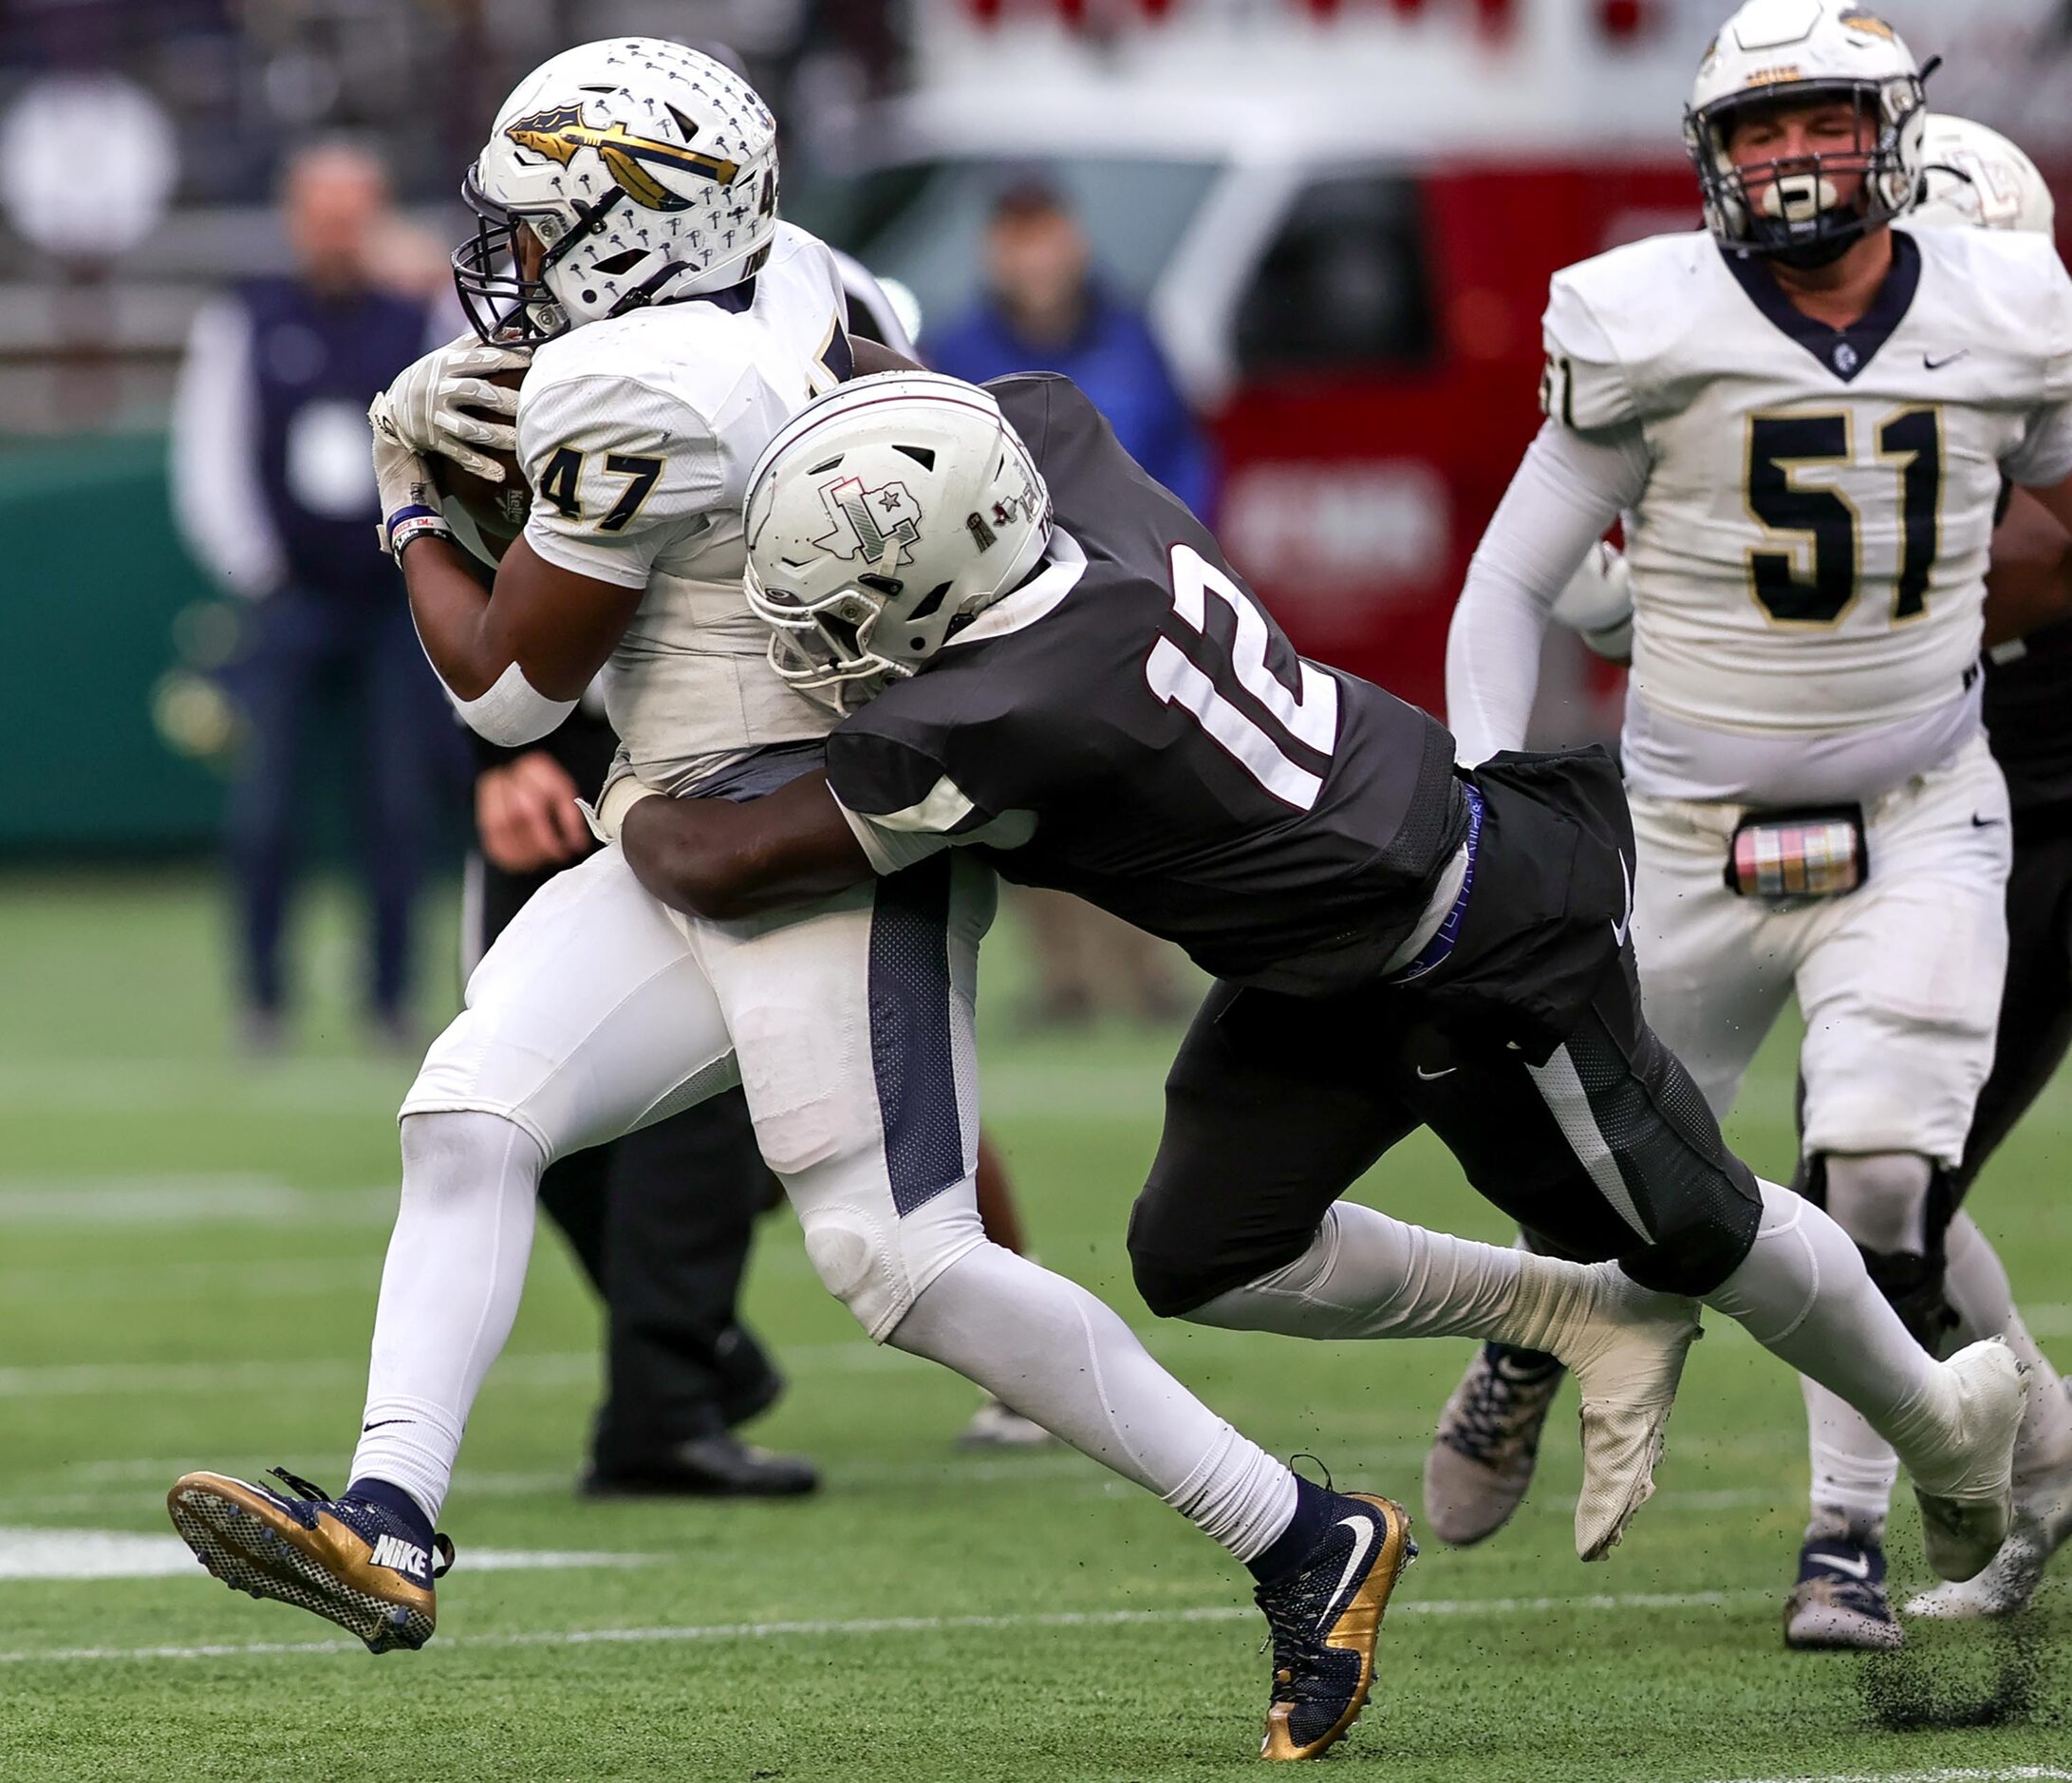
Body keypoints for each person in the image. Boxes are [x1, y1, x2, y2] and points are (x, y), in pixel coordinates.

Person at [158, 44, 1702, 1761]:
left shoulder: (649, 385)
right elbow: (887, 373)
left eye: (543, 225)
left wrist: (402, 501)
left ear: (637, 231)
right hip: (684, 799)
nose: (505, 260)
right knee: (467, 1114)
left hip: (812, 827)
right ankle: (389, 1513)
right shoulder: (795, 267)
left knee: (901, 1262)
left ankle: (1298, 1530)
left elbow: (503, 695)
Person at [603, 367, 2018, 1637]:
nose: (819, 644)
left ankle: (1934, 1420)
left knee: (1704, 1228)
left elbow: (718, 862)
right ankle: (1579, 1314)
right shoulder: (1047, 440)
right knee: (1201, 1251)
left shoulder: (1002, 709)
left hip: (1478, 939)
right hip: (1317, 947)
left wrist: (613, 751)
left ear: (939, 592)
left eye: (841, 612)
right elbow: (890, 384)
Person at [1434, 1, 2072, 1652]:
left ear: (1905, 147)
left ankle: (1856, 1525)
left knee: (1871, 1184)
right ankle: (1532, 1328)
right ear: (1713, 158)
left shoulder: (2005, 309)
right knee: (1636, 1175)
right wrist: (1499, 779)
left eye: (1827, 127)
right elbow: (1527, 576)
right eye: (1759, 132)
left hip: (1929, 794)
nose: (1796, 164)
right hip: (1693, 814)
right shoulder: (1648, 318)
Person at [468, 700, 818, 1497]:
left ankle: (669, 1402)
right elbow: (457, 575)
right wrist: (493, 749)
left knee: (701, 1084)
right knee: (515, 1090)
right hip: (557, 742)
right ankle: (692, 1365)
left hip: (715, 745)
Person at [170, 141, 463, 1050]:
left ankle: (389, 998)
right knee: (267, 808)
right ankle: (263, 999)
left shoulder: (414, 317)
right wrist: (259, 570)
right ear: (296, 218)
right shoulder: (246, 319)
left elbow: (459, 416)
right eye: (322, 213)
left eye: (353, 214)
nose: (337, 233)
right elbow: (209, 459)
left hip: (388, 598)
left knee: (396, 805)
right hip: (293, 598)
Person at [930, 176, 1204, 1029]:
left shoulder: (1133, 335)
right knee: (1033, 791)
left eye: (1044, 232)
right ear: (993, 249)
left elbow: (1186, 448)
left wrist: (1185, 548)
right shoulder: (954, 348)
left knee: (1146, 778)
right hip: (1013, 601)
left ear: (1073, 238)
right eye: (1015, 235)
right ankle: (1067, 982)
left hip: (1131, 592)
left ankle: (1152, 971)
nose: (1033, 253)